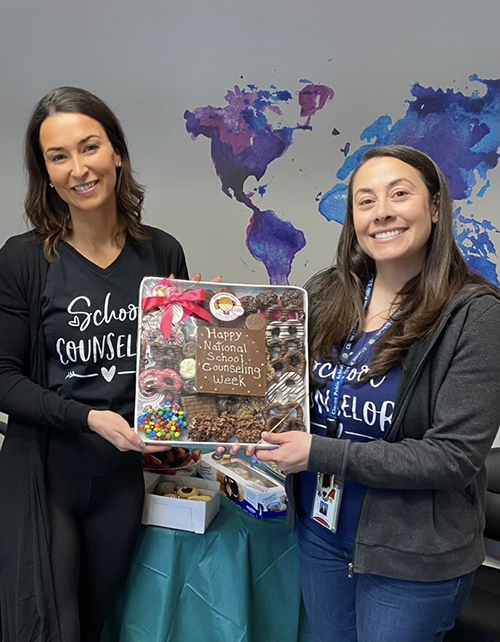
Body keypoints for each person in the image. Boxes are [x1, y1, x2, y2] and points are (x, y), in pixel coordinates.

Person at [240, 145, 500, 641]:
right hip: (320, 534)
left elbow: (452, 458)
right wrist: (207, 330)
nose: (381, 211)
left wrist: (318, 452)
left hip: (412, 557)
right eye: (365, 200)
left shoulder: (475, 315)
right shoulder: (327, 294)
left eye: (399, 194)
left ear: (435, 208)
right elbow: (275, 388)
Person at [0, 86, 197, 642]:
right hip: (46, 474)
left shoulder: (162, 254)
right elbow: (2, 378)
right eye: (58, 157)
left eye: (89, 147)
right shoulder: (24, 258)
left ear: (116, 152)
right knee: (50, 630)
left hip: (120, 483)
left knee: (93, 626)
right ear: (45, 172)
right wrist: (88, 419)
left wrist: (198, 421)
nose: (78, 168)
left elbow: (177, 368)